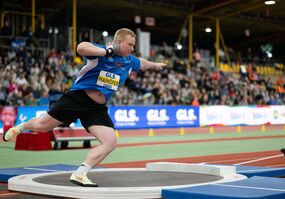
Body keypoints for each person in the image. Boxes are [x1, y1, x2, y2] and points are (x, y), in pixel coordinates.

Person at [3, 28, 166, 187]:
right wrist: (106, 52)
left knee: (110, 141)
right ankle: (21, 127)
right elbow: (81, 47)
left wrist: (155, 65)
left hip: (97, 108)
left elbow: (142, 63)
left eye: (133, 45)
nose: (132, 48)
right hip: (77, 98)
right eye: (129, 44)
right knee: (42, 126)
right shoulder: (102, 52)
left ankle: (80, 173)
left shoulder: (129, 60)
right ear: (118, 42)